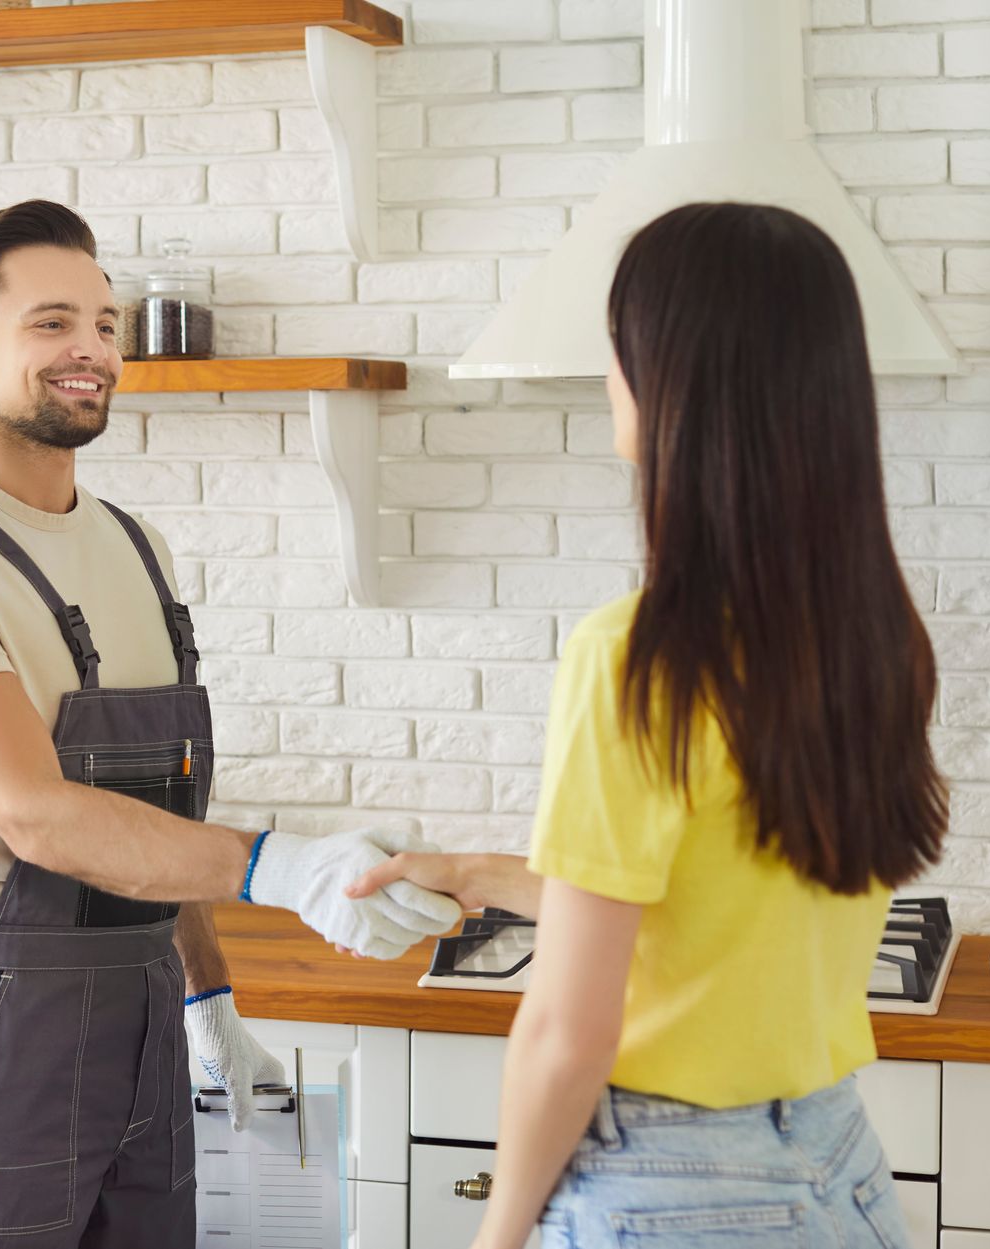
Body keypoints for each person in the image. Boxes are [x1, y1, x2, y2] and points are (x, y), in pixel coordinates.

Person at [0, 199, 461, 1249]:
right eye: (51, 324)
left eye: (105, 322)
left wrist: (207, 993)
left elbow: (139, 812)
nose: (92, 349)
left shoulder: (139, 549)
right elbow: (38, 814)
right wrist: (280, 866)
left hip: (144, 1009)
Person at [347, 202, 948, 1249]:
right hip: (839, 1168)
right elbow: (725, 923)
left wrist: (497, 1233)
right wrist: (498, 876)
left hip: (672, 1189)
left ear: (673, 379)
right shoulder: (871, 633)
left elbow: (568, 1033)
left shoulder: (639, 657)